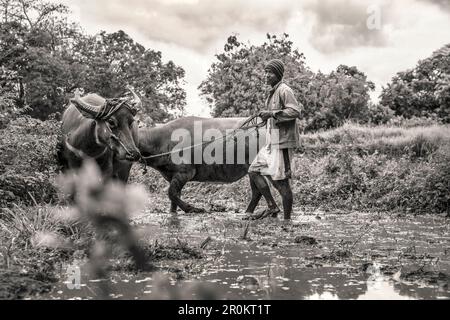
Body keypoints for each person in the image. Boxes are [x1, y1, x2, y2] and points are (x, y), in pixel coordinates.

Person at [245, 59, 302, 221]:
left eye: (270, 72)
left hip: (282, 143)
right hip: (272, 142)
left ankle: (287, 221)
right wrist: (265, 117)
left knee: (282, 182)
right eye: (266, 72)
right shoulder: (272, 93)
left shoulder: (284, 90)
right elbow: (275, 115)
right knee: (253, 171)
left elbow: (294, 111)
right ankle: (272, 206)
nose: (266, 75)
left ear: (278, 74)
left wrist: (271, 114)